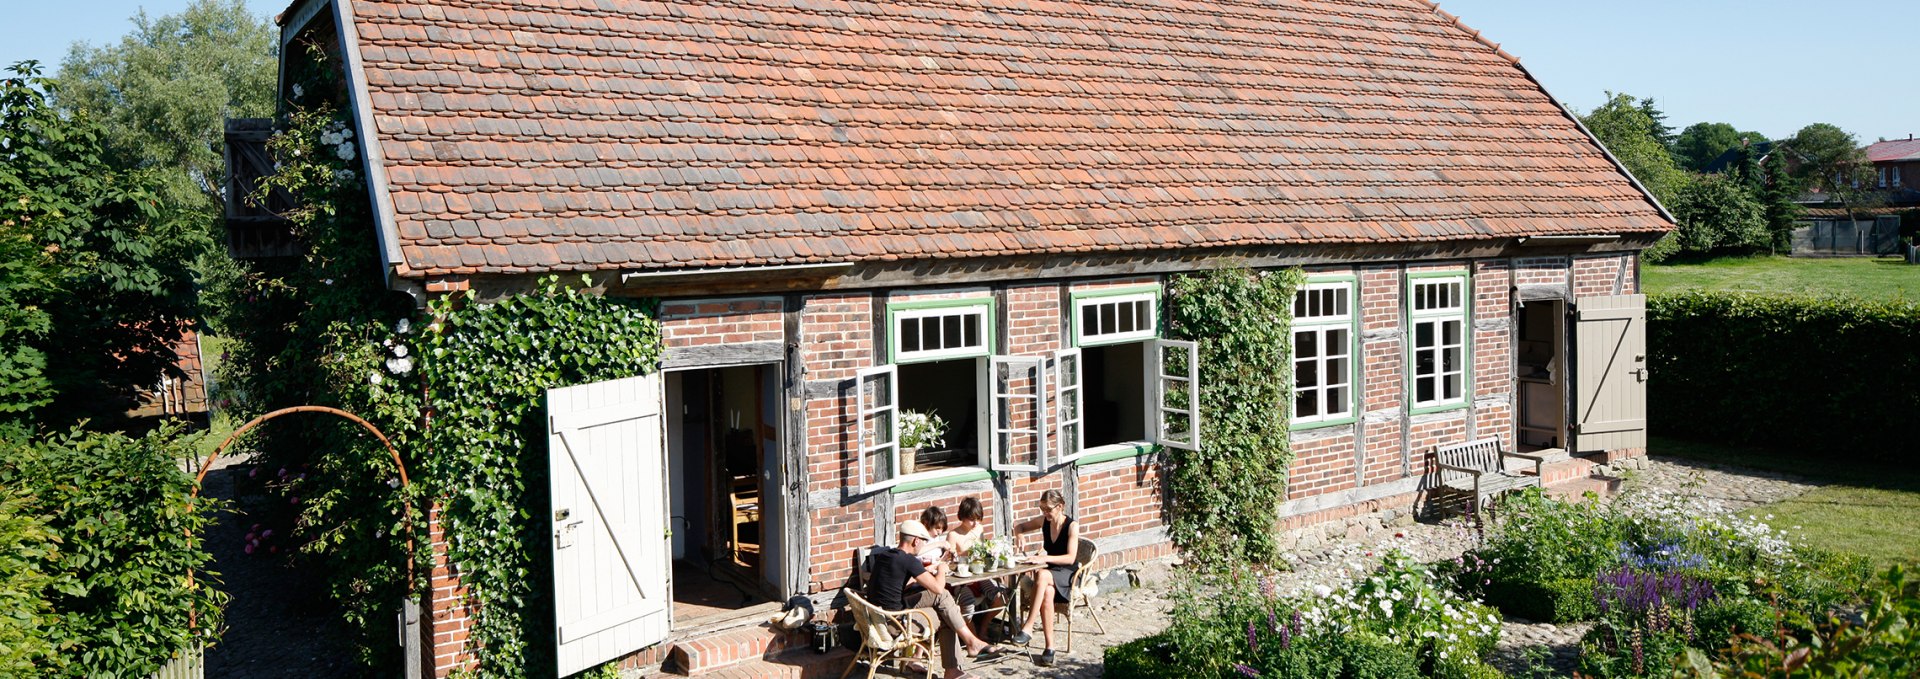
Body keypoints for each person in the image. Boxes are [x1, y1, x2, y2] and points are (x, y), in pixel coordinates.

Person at [865, 519, 1002, 678]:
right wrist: (942, 569)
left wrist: (924, 573)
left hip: (878, 617)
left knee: (944, 603)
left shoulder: (887, 555)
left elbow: (896, 584)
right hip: (894, 624)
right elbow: (937, 587)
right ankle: (958, 663)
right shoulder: (909, 560)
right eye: (923, 542)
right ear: (916, 540)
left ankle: (969, 644)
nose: (923, 545)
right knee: (945, 610)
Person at [1007, 489, 1077, 667]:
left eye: (1048, 509)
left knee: (1042, 574)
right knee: (1046, 593)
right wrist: (1019, 535)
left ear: (1060, 506)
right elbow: (1019, 526)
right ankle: (1050, 648)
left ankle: (1028, 626)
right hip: (1050, 573)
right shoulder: (1044, 521)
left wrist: (1044, 558)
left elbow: (1070, 557)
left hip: (1066, 572)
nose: (1045, 513)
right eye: (1042, 509)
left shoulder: (1071, 526)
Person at [943, 497, 1005, 638]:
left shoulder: (979, 529)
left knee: (1000, 597)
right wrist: (965, 553)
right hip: (962, 579)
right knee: (968, 605)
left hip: (980, 574)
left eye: (978, 518)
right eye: (971, 519)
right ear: (962, 517)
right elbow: (949, 563)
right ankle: (973, 637)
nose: (975, 523)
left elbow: (983, 554)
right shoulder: (953, 535)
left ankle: (984, 626)